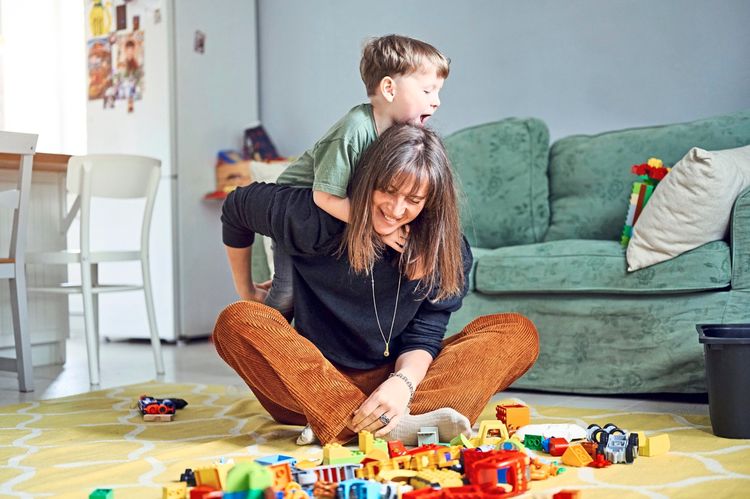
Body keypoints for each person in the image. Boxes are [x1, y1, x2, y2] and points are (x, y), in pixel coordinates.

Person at [216, 124, 540, 446]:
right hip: (309, 384)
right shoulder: (313, 216)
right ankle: (389, 426)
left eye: (413, 200)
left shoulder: (446, 249)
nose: (396, 210)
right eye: (387, 190)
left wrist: (402, 385)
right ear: (367, 179)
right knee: (236, 320)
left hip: (395, 386)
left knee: (517, 333)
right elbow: (236, 208)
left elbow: (424, 336)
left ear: (431, 202)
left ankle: (352, 422)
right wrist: (245, 289)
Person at [259, 34, 450, 321]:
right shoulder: (354, 131)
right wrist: (381, 228)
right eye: (427, 91)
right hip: (298, 209)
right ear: (389, 88)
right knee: (287, 293)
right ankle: (256, 338)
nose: (436, 102)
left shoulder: (395, 136)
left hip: (331, 211)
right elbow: (324, 196)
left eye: (438, 92)